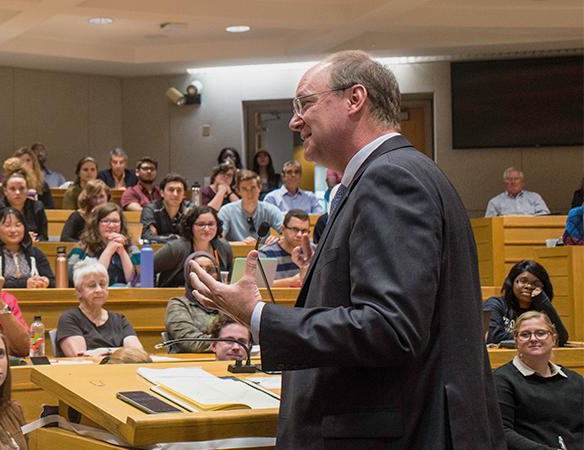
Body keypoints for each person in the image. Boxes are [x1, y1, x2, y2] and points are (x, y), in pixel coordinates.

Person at [187, 50, 504, 447]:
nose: (294, 120)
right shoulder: (397, 174)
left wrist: (257, 316)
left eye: (305, 103)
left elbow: (390, 328)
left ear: (355, 99)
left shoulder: (390, 179)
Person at [492, 311, 584, 449]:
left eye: (540, 333)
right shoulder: (502, 380)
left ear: (553, 338)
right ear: (516, 341)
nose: (533, 339)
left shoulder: (575, 380)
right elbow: (502, 432)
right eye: (525, 334)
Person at [56, 259, 141, 357]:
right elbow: (80, 356)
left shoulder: (120, 319)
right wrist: (121, 351)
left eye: (102, 284)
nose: (99, 290)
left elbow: (137, 353)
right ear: (79, 292)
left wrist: (106, 351)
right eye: (92, 286)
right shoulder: (69, 318)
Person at [483, 260, 568, 346]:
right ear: (512, 282)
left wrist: (544, 302)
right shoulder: (495, 304)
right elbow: (492, 336)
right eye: (523, 281)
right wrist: (537, 338)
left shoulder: (541, 308)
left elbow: (560, 338)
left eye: (536, 283)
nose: (529, 286)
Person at [154, 205, 232, 287]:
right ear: (190, 226)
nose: (206, 229)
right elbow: (147, 268)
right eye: (201, 224)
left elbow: (229, 278)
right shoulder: (175, 248)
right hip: (176, 297)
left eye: (211, 224)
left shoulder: (224, 247)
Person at [66, 203, 139, 287]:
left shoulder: (131, 248)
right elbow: (73, 278)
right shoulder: (82, 247)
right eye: (105, 221)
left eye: (115, 221)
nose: (111, 225)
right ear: (96, 224)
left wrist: (122, 252)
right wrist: (109, 250)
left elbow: (135, 280)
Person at [164, 252, 224, 353]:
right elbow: (191, 342)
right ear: (188, 276)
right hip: (189, 363)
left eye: (210, 270)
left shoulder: (226, 304)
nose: (204, 275)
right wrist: (228, 344)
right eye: (197, 270)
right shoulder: (178, 305)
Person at [0, 207, 54, 289]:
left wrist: (46, 281)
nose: (13, 230)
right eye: (7, 225)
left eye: (18, 225)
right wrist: (24, 284)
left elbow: (53, 282)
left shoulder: (36, 253)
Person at [217, 170, 284, 244]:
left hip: (265, 254)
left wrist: (278, 239)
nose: (249, 193)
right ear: (238, 191)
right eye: (244, 189)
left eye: (253, 188)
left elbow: (287, 233)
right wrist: (240, 244)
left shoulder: (271, 210)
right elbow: (218, 240)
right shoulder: (226, 211)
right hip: (235, 254)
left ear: (259, 188)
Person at [0, 172, 48, 242]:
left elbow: (43, 237)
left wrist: (36, 241)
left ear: (27, 190)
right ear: (5, 191)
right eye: (12, 189)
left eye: (22, 188)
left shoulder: (37, 207)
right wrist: (22, 239)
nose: (17, 192)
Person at [258, 209, 316, 287]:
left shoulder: (314, 252)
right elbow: (258, 286)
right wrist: (291, 281)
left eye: (304, 231)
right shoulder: (265, 253)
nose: (299, 235)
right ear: (282, 229)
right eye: (295, 229)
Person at [140, 174, 191, 243]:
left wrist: (159, 237)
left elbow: (194, 237)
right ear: (162, 193)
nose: (175, 194)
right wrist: (176, 237)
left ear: (184, 194)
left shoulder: (190, 209)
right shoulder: (150, 209)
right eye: (171, 190)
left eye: (179, 190)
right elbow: (147, 237)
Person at [486, 167, 550, 217]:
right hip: (506, 233)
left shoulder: (535, 198)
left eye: (516, 179)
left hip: (532, 232)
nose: (513, 182)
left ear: (522, 183)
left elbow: (546, 217)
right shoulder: (494, 202)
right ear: (504, 183)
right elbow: (489, 224)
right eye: (509, 179)